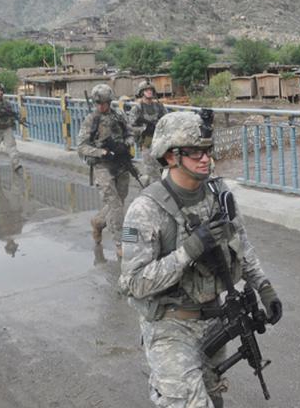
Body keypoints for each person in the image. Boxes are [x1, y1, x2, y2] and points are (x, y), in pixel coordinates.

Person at [119, 111, 282, 408]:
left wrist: (265, 288)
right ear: (170, 156)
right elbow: (133, 283)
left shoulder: (218, 194)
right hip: (170, 326)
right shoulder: (145, 210)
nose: (205, 159)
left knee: (213, 394)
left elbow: (241, 245)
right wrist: (188, 251)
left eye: (207, 151)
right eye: (194, 152)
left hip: (214, 319)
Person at [77, 84, 134, 257]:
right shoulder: (91, 120)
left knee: (119, 201)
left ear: (110, 101)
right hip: (102, 166)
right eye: (98, 103)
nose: (101, 106)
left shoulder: (119, 115)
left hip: (120, 164)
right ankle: (120, 243)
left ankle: (98, 222)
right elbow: (81, 147)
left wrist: (126, 144)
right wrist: (102, 152)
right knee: (115, 205)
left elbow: (130, 133)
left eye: (104, 103)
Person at [129, 81, 167, 187]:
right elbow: (130, 127)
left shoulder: (159, 106)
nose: (149, 92)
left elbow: (166, 120)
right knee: (151, 169)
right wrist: (144, 129)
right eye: (146, 90)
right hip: (147, 141)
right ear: (142, 92)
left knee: (165, 166)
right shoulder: (137, 108)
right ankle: (153, 190)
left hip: (160, 140)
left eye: (151, 90)